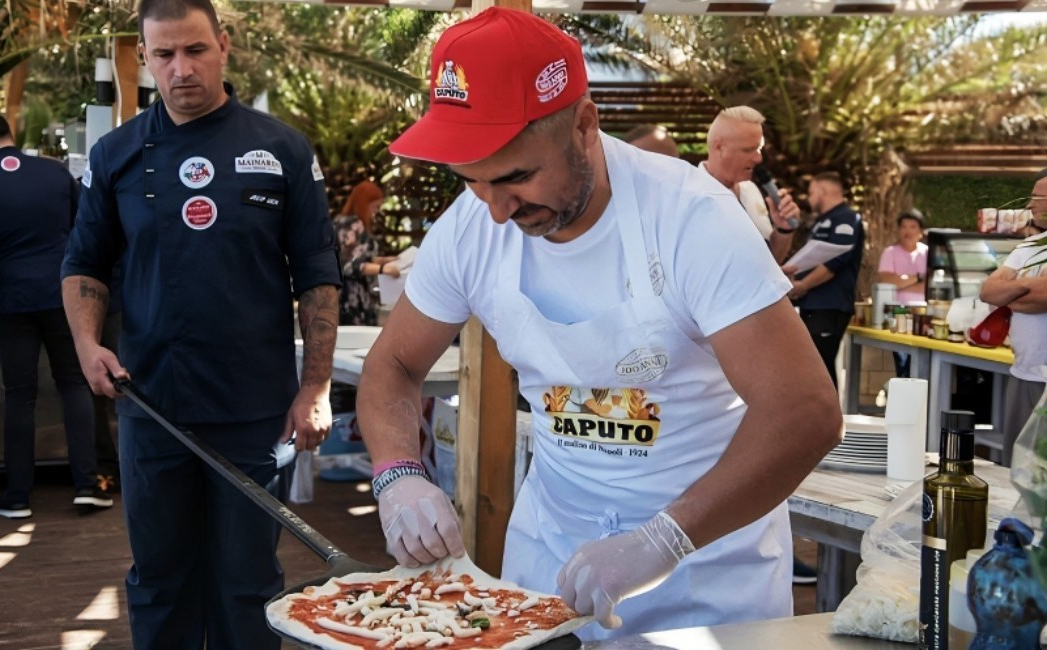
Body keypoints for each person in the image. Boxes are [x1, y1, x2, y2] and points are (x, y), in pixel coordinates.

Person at [356, 8, 841, 641]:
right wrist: (398, 475)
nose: (498, 211)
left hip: (703, 572)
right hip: (546, 560)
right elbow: (393, 366)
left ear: (584, 124)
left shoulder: (692, 220)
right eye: (472, 182)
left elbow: (804, 411)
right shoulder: (471, 229)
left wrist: (663, 538)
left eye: (517, 176)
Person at [59, 0, 341, 646]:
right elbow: (84, 264)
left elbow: (318, 275)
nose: (180, 69)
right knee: (160, 577)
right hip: (150, 404)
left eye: (194, 50)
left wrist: (316, 387)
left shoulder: (282, 150)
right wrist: (85, 343)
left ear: (224, 45)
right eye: (163, 55)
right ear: (147, 57)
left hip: (253, 411)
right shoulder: (116, 155)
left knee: (247, 580)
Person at [0, 112, 111, 519]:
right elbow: (84, 232)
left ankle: (17, 495)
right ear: (12, 136)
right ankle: (88, 485)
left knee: (19, 394)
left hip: (11, 298)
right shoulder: (56, 173)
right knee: (74, 384)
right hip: (63, 294)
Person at [980, 168, 1047, 464]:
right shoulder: (1030, 246)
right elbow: (989, 291)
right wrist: (1025, 286)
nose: (1031, 205)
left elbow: (1042, 300)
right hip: (1023, 373)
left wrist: (1013, 292)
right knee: (1017, 467)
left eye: (1038, 197)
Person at [787, 172, 865, 388]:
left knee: (820, 366)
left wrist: (803, 285)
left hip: (829, 306)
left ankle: (829, 420)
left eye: (811, 192)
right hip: (812, 305)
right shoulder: (823, 221)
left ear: (823, 191)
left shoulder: (846, 218)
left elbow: (835, 261)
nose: (809, 198)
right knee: (811, 367)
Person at [700, 106, 801, 264]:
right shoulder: (693, 197)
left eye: (759, 149)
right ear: (719, 147)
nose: (758, 159)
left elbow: (770, 259)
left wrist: (783, 229)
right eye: (748, 150)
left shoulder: (750, 189)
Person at [334, 180, 400, 326]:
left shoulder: (342, 222)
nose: (375, 211)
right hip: (352, 300)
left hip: (354, 298)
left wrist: (383, 260)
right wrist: (383, 269)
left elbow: (360, 256)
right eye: (374, 206)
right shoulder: (354, 224)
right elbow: (350, 265)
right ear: (365, 203)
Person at [876, 208, 928, 378]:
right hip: (897, 311)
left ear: (920, 231)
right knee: (902, 361)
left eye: (913, 226)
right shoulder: (889, 253)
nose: (908, 231)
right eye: (904, 226)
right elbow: (887, 282)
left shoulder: (928, 253)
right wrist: (918, 277)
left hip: (923, 313)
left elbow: (929, 286)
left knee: (921, 361)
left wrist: (901, 282)